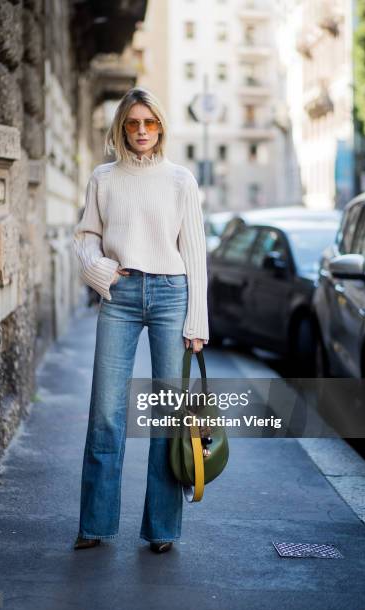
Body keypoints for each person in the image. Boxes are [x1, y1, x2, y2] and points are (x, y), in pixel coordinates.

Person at [72, 87, 209, 554]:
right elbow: (86, 236)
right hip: (121, 294)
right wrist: (101, 270)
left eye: (150, 123)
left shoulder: (180, 181)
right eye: (133, 123)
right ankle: (94, 525)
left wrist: (197, 322)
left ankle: (163, 530)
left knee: (167, 416)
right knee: (106, 414)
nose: (142, 131)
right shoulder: (103, 179)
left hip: (173, 294)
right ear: (121, 128)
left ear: (161, 127)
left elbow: (194, 253)